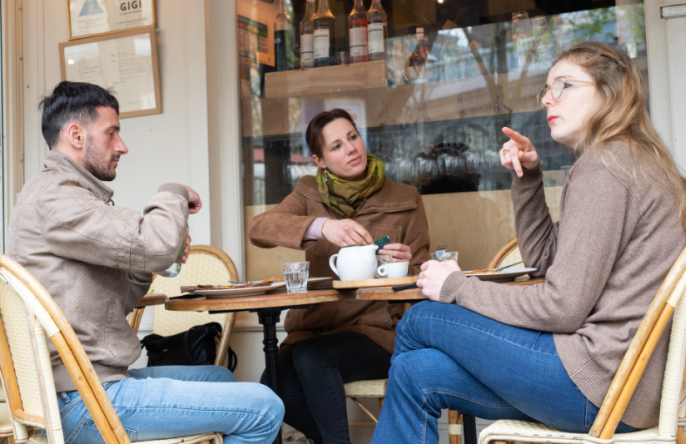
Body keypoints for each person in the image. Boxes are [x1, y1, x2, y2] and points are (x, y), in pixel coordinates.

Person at [371, 41, 686, 443]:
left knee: (421, 319)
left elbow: (562, 308)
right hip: (621, 389)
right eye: (546, 88)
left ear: (609, 91)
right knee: (414, 373)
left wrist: (457, 287)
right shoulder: (632, 159)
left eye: (563, 85)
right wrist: (528, 179)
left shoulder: (605, 168)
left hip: (596, 385)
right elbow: (547, 260)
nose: (547, 98)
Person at [8, 81, 283, 444]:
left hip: (83, 388)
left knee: (218, 378)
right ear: (76, 134)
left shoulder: (57, 198)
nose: (122, 146)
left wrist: (149, 264)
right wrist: (174, 191)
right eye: (112, 133)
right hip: (84, 401)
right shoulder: (57, 200)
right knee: (265, 406)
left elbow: (113, 303)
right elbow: (155, 242)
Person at [249, 108, 430, 444]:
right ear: (319, 160)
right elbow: (259, 229)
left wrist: (409, 263)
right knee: (273, 386)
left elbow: (424, 275)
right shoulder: (307, 193)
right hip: (312, 329)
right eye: (336, 146)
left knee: (313, 357)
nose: (351, 148)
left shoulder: (405, 198)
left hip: (375, 333)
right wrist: (322, 226)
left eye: (353, 136)